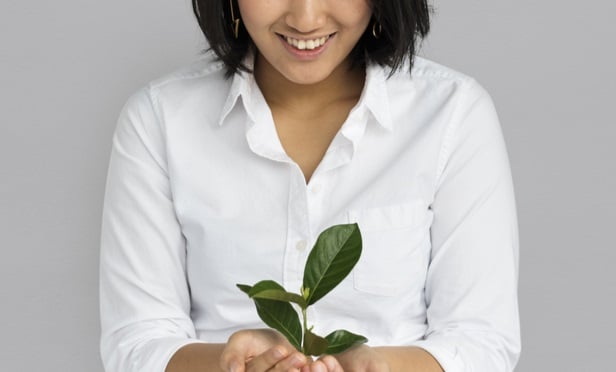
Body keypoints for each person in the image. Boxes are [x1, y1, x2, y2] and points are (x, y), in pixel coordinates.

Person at [100, 0, 521, 371]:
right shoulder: (159, 120)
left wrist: (383, 366)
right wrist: (231, 363)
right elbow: (136, 343)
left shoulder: (452, 115)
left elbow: (482, 342)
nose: (306, 18)